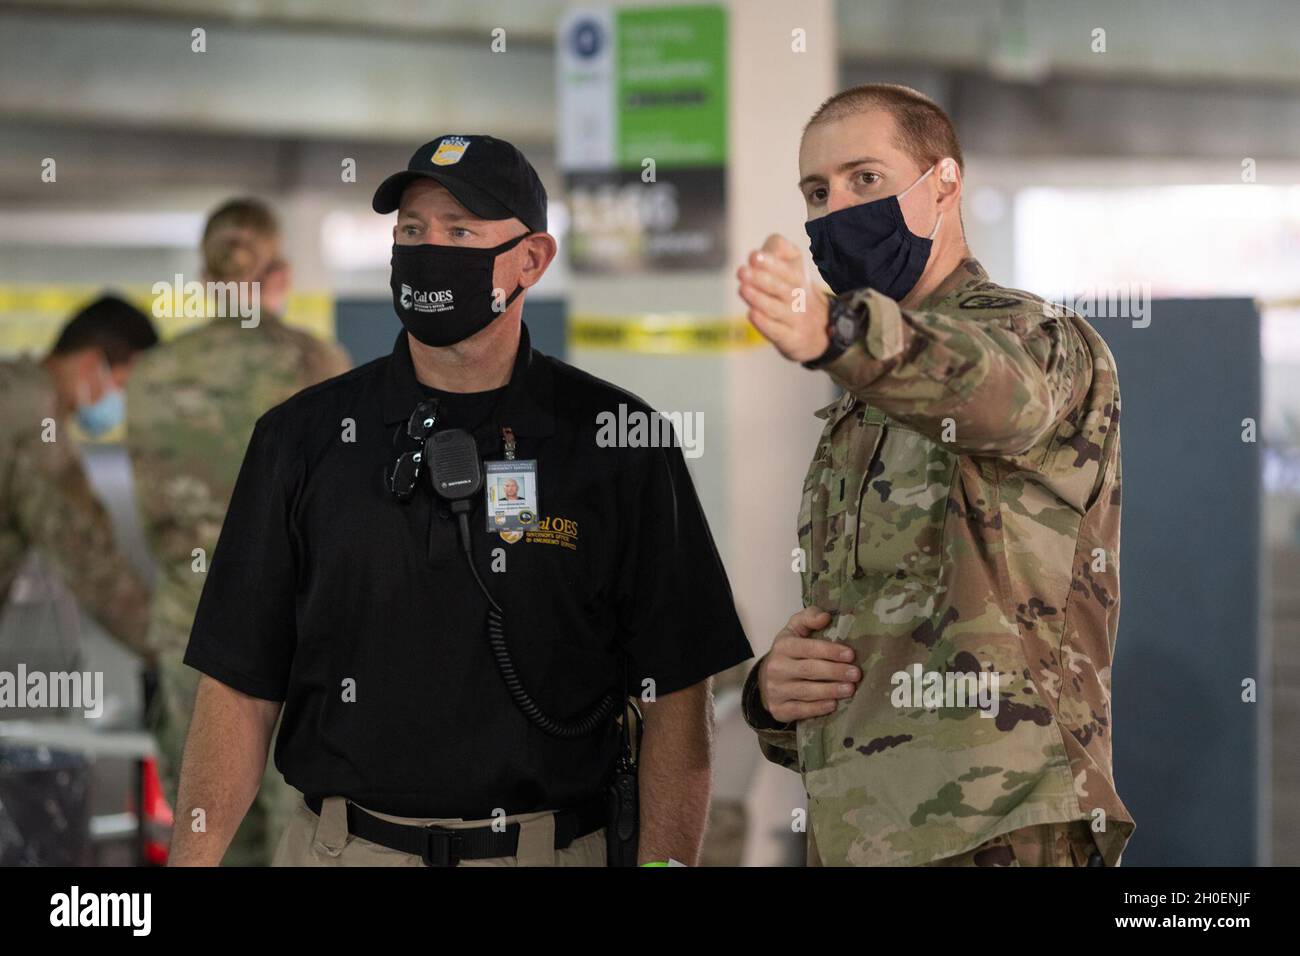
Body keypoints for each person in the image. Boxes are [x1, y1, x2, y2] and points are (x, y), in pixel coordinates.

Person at [167, 134, 752, 867]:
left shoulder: (619, 441)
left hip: (551, 850)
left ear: (533, 259)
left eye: (460, 231)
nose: (428, 249)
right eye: (412, 230)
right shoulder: (299, 438)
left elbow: (677, 695)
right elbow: (238, 688)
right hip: (342, 850)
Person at [736, 84, 1131, 867]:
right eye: (817, 192)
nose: (835, 207)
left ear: (943, 182)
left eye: (866, 179)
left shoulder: (1036, 338)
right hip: (858, 831)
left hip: (999, 827)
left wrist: (836, 332)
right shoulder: (859, 397)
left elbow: (997, 395)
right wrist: (776, 694)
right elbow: (869, 624)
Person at [126, 198, 351, 866]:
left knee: (204, 828)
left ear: (203, 280)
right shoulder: (316, 363)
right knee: (298, 828)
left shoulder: (150, 375)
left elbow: (152, 515)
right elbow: (339, 508)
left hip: (186, 630)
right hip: (292, 634)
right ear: (278, 276)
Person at [0, 295, 157, 658]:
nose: (125, 405)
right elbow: (87, 558)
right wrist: (186, 654)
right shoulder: (36, 419)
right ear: (91, 364)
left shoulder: (14, 387)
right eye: (124, 387)